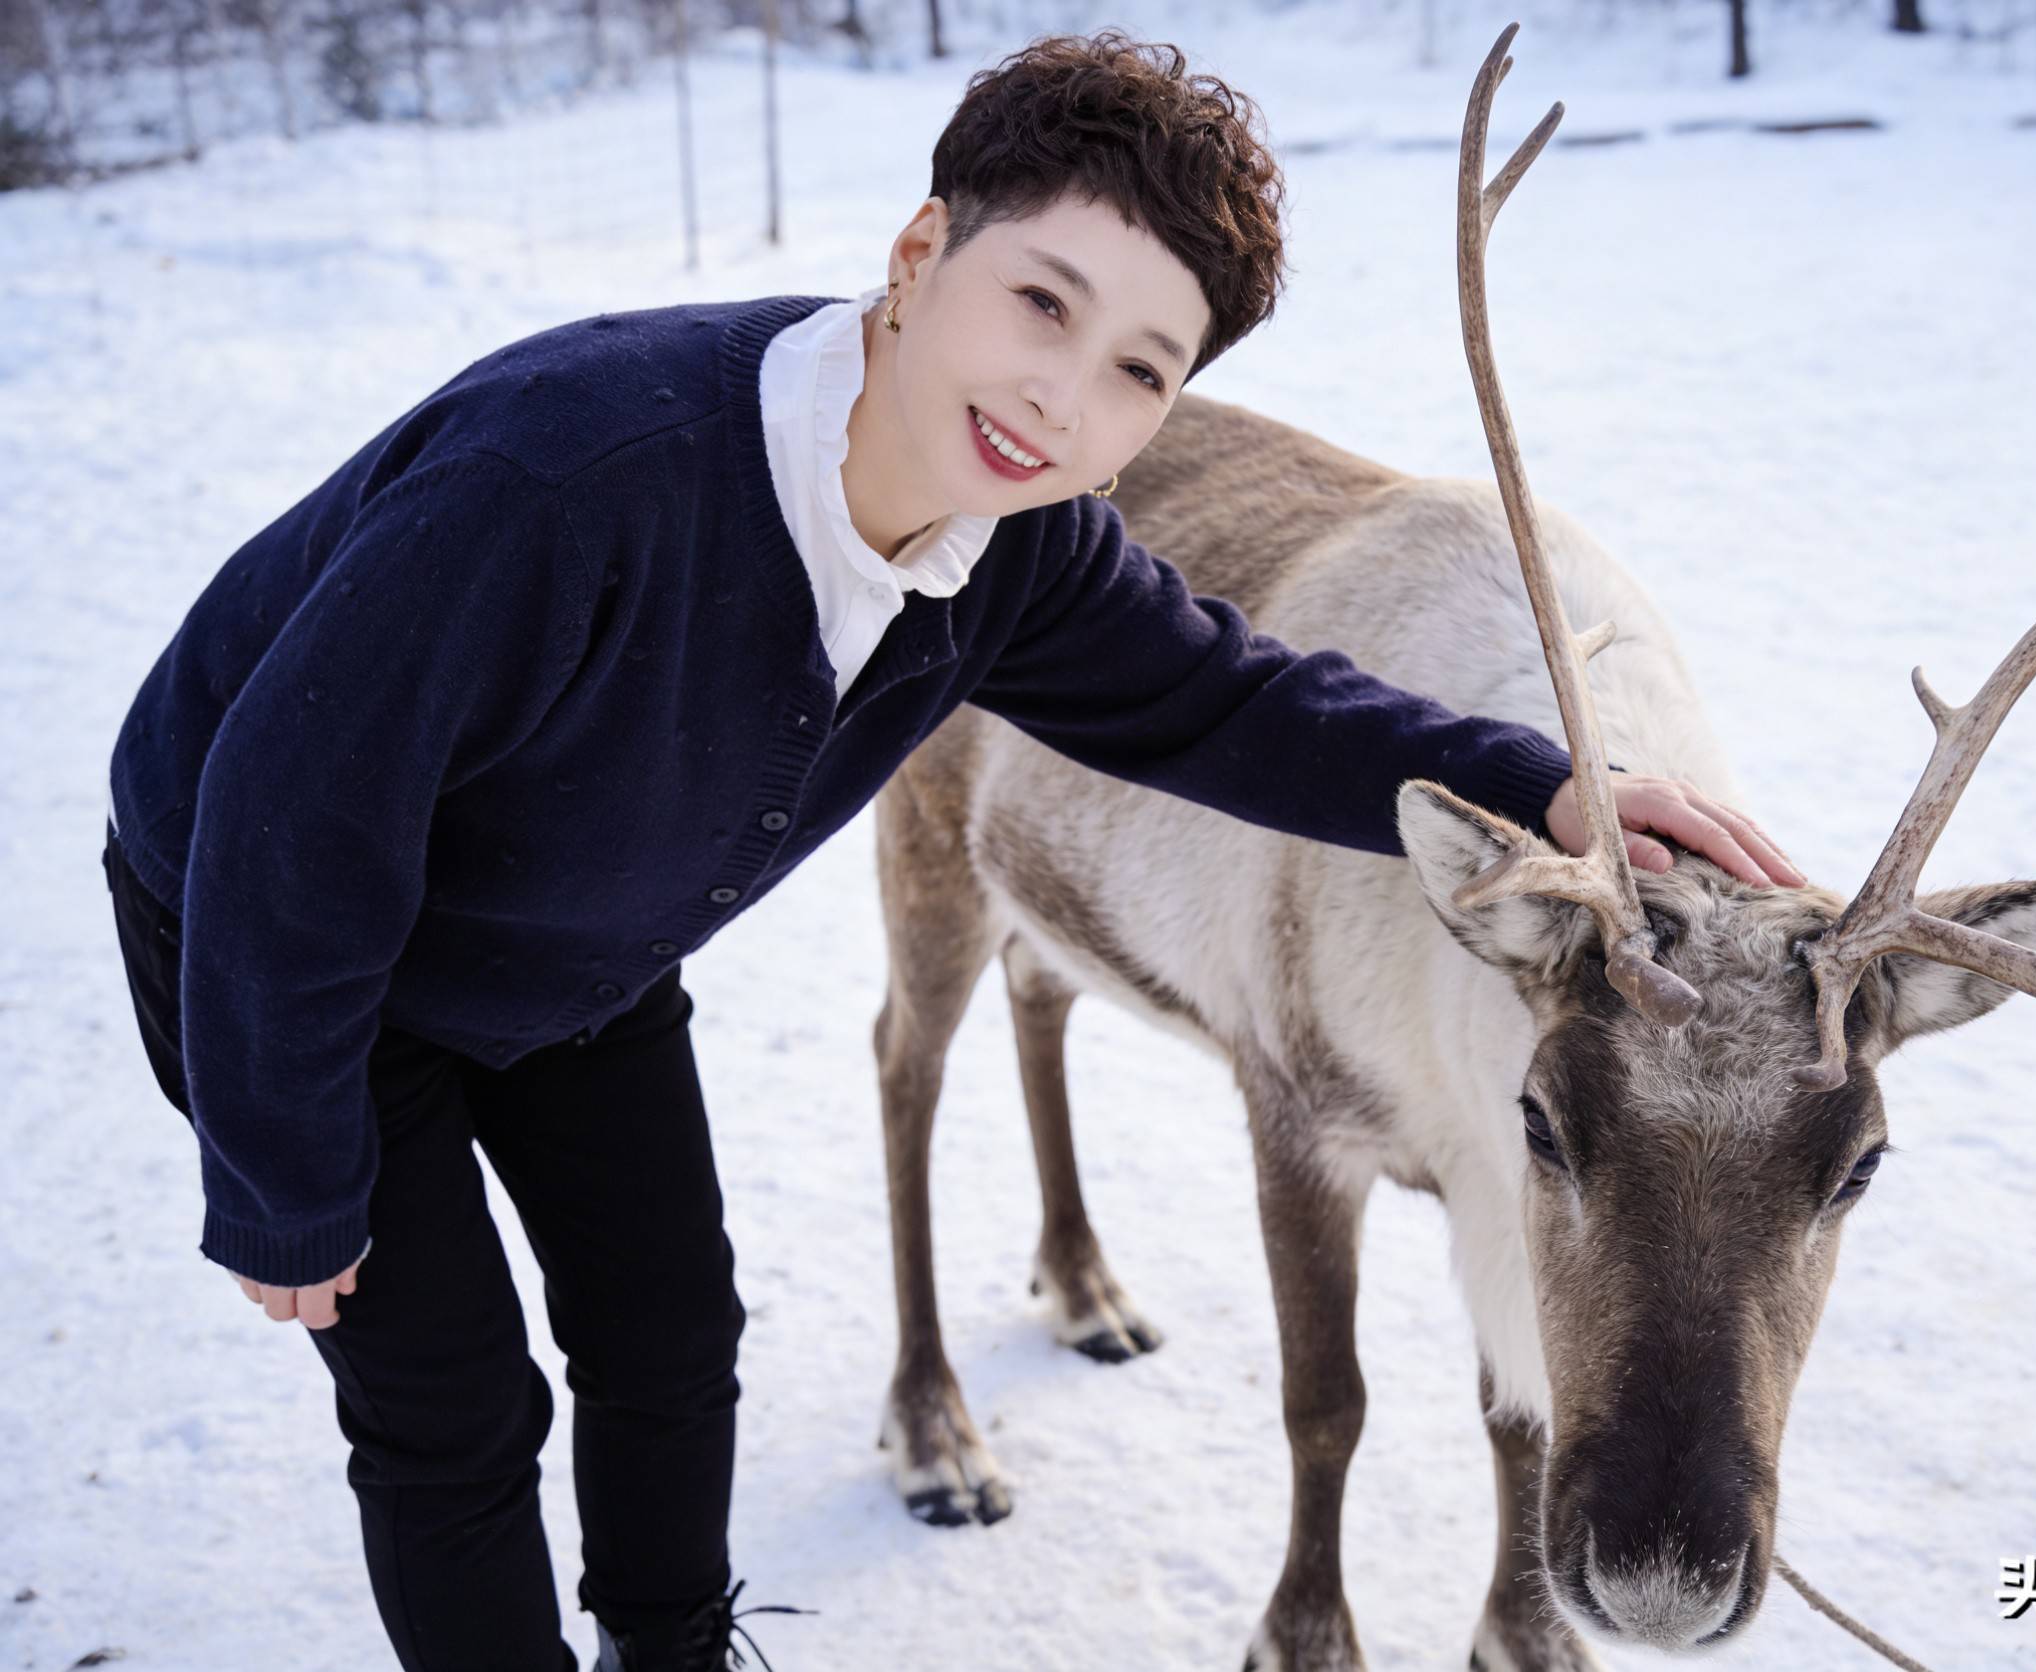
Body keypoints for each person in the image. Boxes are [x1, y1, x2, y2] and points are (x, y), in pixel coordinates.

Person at [98, 29, 1803, 1672]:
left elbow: (1230, 705)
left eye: (1139, 370)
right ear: (922, 252)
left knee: (673, 1334)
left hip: (573, 943)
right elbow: (282, 820)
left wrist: (1549, 792)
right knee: (454, 1403)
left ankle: (675, 1647)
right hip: (299, 956)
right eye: (1038, 303)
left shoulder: (1014, 550)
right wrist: (285, 1177)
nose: (1062, 392)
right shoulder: (575, 474)